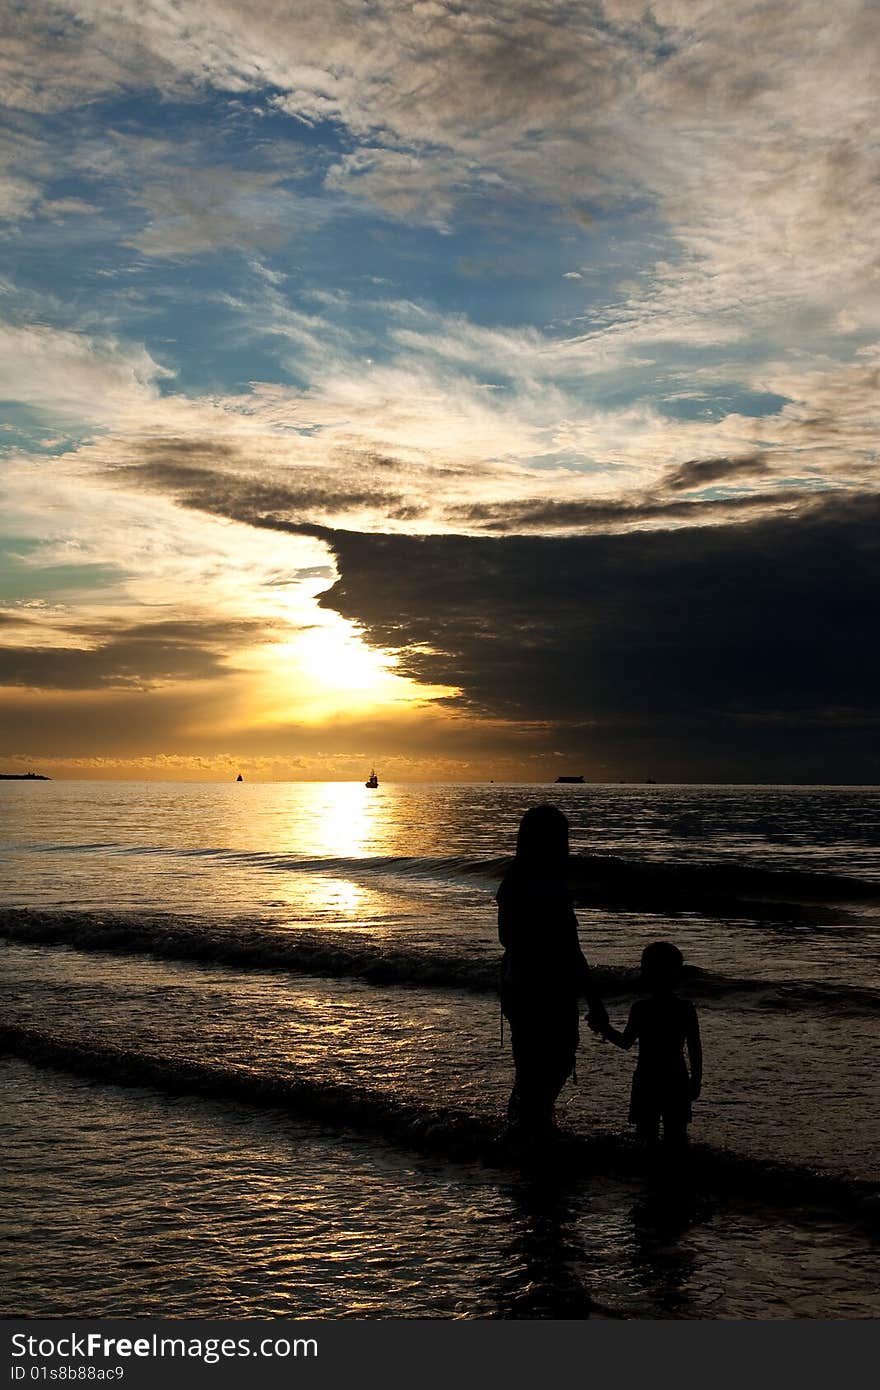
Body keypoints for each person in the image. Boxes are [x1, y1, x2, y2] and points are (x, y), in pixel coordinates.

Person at [497, 804, 608, 1136]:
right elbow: (570, 949)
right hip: (546, 987)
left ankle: (523, 1130)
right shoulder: (548, 884)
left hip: (518, 984)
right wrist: (594, 1002)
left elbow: (506, 937)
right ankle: (530, 1132)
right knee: (553, 1062)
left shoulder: (515, 877)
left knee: (531, 1066)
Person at [597, 941, 702, 1148]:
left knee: (645, 1136)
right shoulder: (685, 1008)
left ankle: (649, 1174)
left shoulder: (641, 1009)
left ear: (646, 973)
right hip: (676, 1076)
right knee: (677, 1136)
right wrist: (696, 1079)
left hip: (647, 1077)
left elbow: (625, 1042)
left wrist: (604, 1028)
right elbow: (694, 1048)